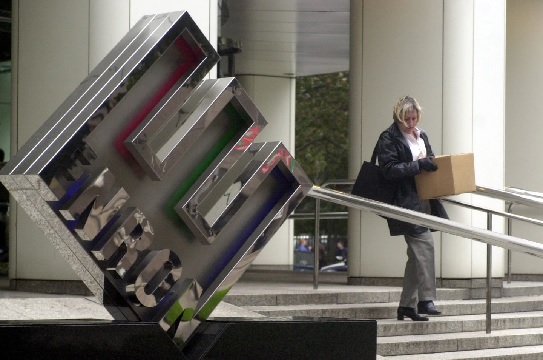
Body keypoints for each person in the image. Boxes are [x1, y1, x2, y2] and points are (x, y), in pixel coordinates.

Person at [376, 95, 448, 321]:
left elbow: (431, 160)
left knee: (415, 256)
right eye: (406, 119)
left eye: (414, 118)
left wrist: (432, 163)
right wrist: (419, 165)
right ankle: (425, 300)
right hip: (404, 201)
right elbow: (388, 169)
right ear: (398, 116)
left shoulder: (421, 134)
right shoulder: (388, 137)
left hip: (425, 199)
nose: (410, 123)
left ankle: (407, 305)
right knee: (424, 245)